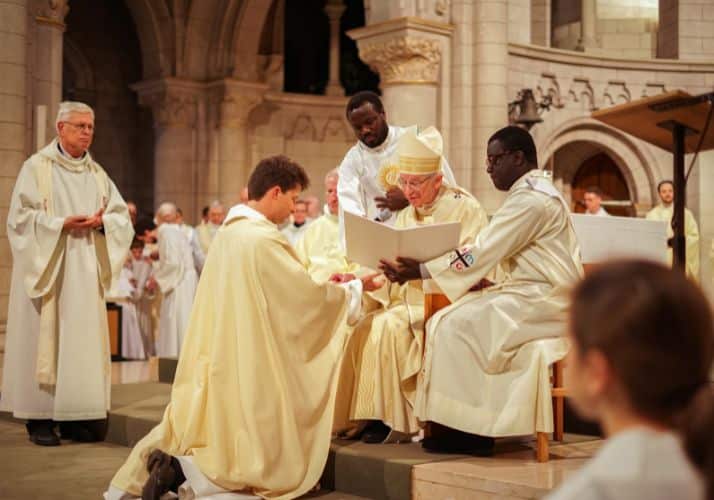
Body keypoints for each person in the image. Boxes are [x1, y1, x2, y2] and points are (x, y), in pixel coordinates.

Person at [106, 156, 382, 500]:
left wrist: (337, 283)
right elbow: (302, 298)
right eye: (293, 198)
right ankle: (184, 471)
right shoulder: (262, 239)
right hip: (253, 349)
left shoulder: (231, 232)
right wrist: (352, 291)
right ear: (276, 192)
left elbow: (285, 286)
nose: (293, 207)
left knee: (222, 427)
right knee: (258, 449)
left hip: (224, 346)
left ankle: (178, 468)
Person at [380, 126, 583, 454]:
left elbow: (484, 249)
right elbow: (495, 251)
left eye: (494, 160)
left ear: (518, 158)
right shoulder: (530, 193)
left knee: (455, 325)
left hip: (546, 298)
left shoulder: (532, 200)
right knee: (449, 319)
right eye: (487, 161)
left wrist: (418, 270)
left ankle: (470, 431)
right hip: (531, 292)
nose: (488, 169)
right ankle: (462, 427)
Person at [334, 127, 489, 444]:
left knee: (387, 328)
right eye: (403, 182)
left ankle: (393, 419)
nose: (408, 191)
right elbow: (391, 263)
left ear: (438, 180)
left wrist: (422, 272)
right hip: (404, 300)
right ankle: (369, 415)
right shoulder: (406, 214)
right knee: (363, 326)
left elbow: (475, 259)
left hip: (445, 301)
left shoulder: (465, 207)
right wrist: (365, 279)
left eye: (415, 183)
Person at [1, 101, 133, 446]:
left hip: (85, 266)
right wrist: (60, 224)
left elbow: (121, 218)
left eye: (90, 127)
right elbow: (18, 220)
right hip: (50, 267)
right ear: (60, 128)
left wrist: (104, 223)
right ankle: (39, 419)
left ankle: (75, 417)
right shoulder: (36, 168)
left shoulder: (97, 174)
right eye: (79, 126)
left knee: (79, 343)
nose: (87, 132)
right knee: (44, 340)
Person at [546, 260, 713, 500]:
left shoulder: (594, 491)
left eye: (570, 342)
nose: (565, 356)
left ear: (597, 373)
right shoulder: (697, 470)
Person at [337, 91, 456, 239]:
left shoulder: (415, 141)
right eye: (357, 127)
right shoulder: (352, 161)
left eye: (369, 122)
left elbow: (445, 187)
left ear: (383, 114)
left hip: (422, 232)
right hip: (381, 238)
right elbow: (349, 210)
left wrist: (409, 198)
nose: (365, 130)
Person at [147, 203, 199, 358]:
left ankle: (175, 359)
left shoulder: (166, 231)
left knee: (177, 318)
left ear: (163, 217)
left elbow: (173, 263)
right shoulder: (177, 231)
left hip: (179, 280)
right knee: (183, 318)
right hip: (186, 279)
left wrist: (156, 278)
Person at [295, 169, 357, 283]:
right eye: (330, 191)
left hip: (352, 294)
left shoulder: (361, 228)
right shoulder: (313, 229)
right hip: (317, 295)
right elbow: (296, 267)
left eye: (338, 191)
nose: (334, 197)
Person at [646, 180, 700, 279]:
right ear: (659, 194)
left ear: (674, 192)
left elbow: (694, 236)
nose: (667, 194)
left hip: (678, 259)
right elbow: (647, 239)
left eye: (670, 191)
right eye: (664, 191)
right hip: (659, 260)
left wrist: (677, 243)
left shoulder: (685, 213)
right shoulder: (651, 215)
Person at [128, 237, 156, 357]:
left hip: (143, 299)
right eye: (134, 252)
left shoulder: (147, 263)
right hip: (132, 299)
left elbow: (152, 277)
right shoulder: (128, 264)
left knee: (145, 325)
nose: (137, 254)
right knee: (135, 325)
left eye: (139, 251)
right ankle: (135, 352)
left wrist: (149, 284)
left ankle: (146, 351)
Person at [177, 207, 206, 274]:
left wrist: (204, 268)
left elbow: (198, 252)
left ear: (181, 217)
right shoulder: (166, 232)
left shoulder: (190, 231)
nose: (176, 220)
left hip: (186, 269)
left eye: (177, 217)